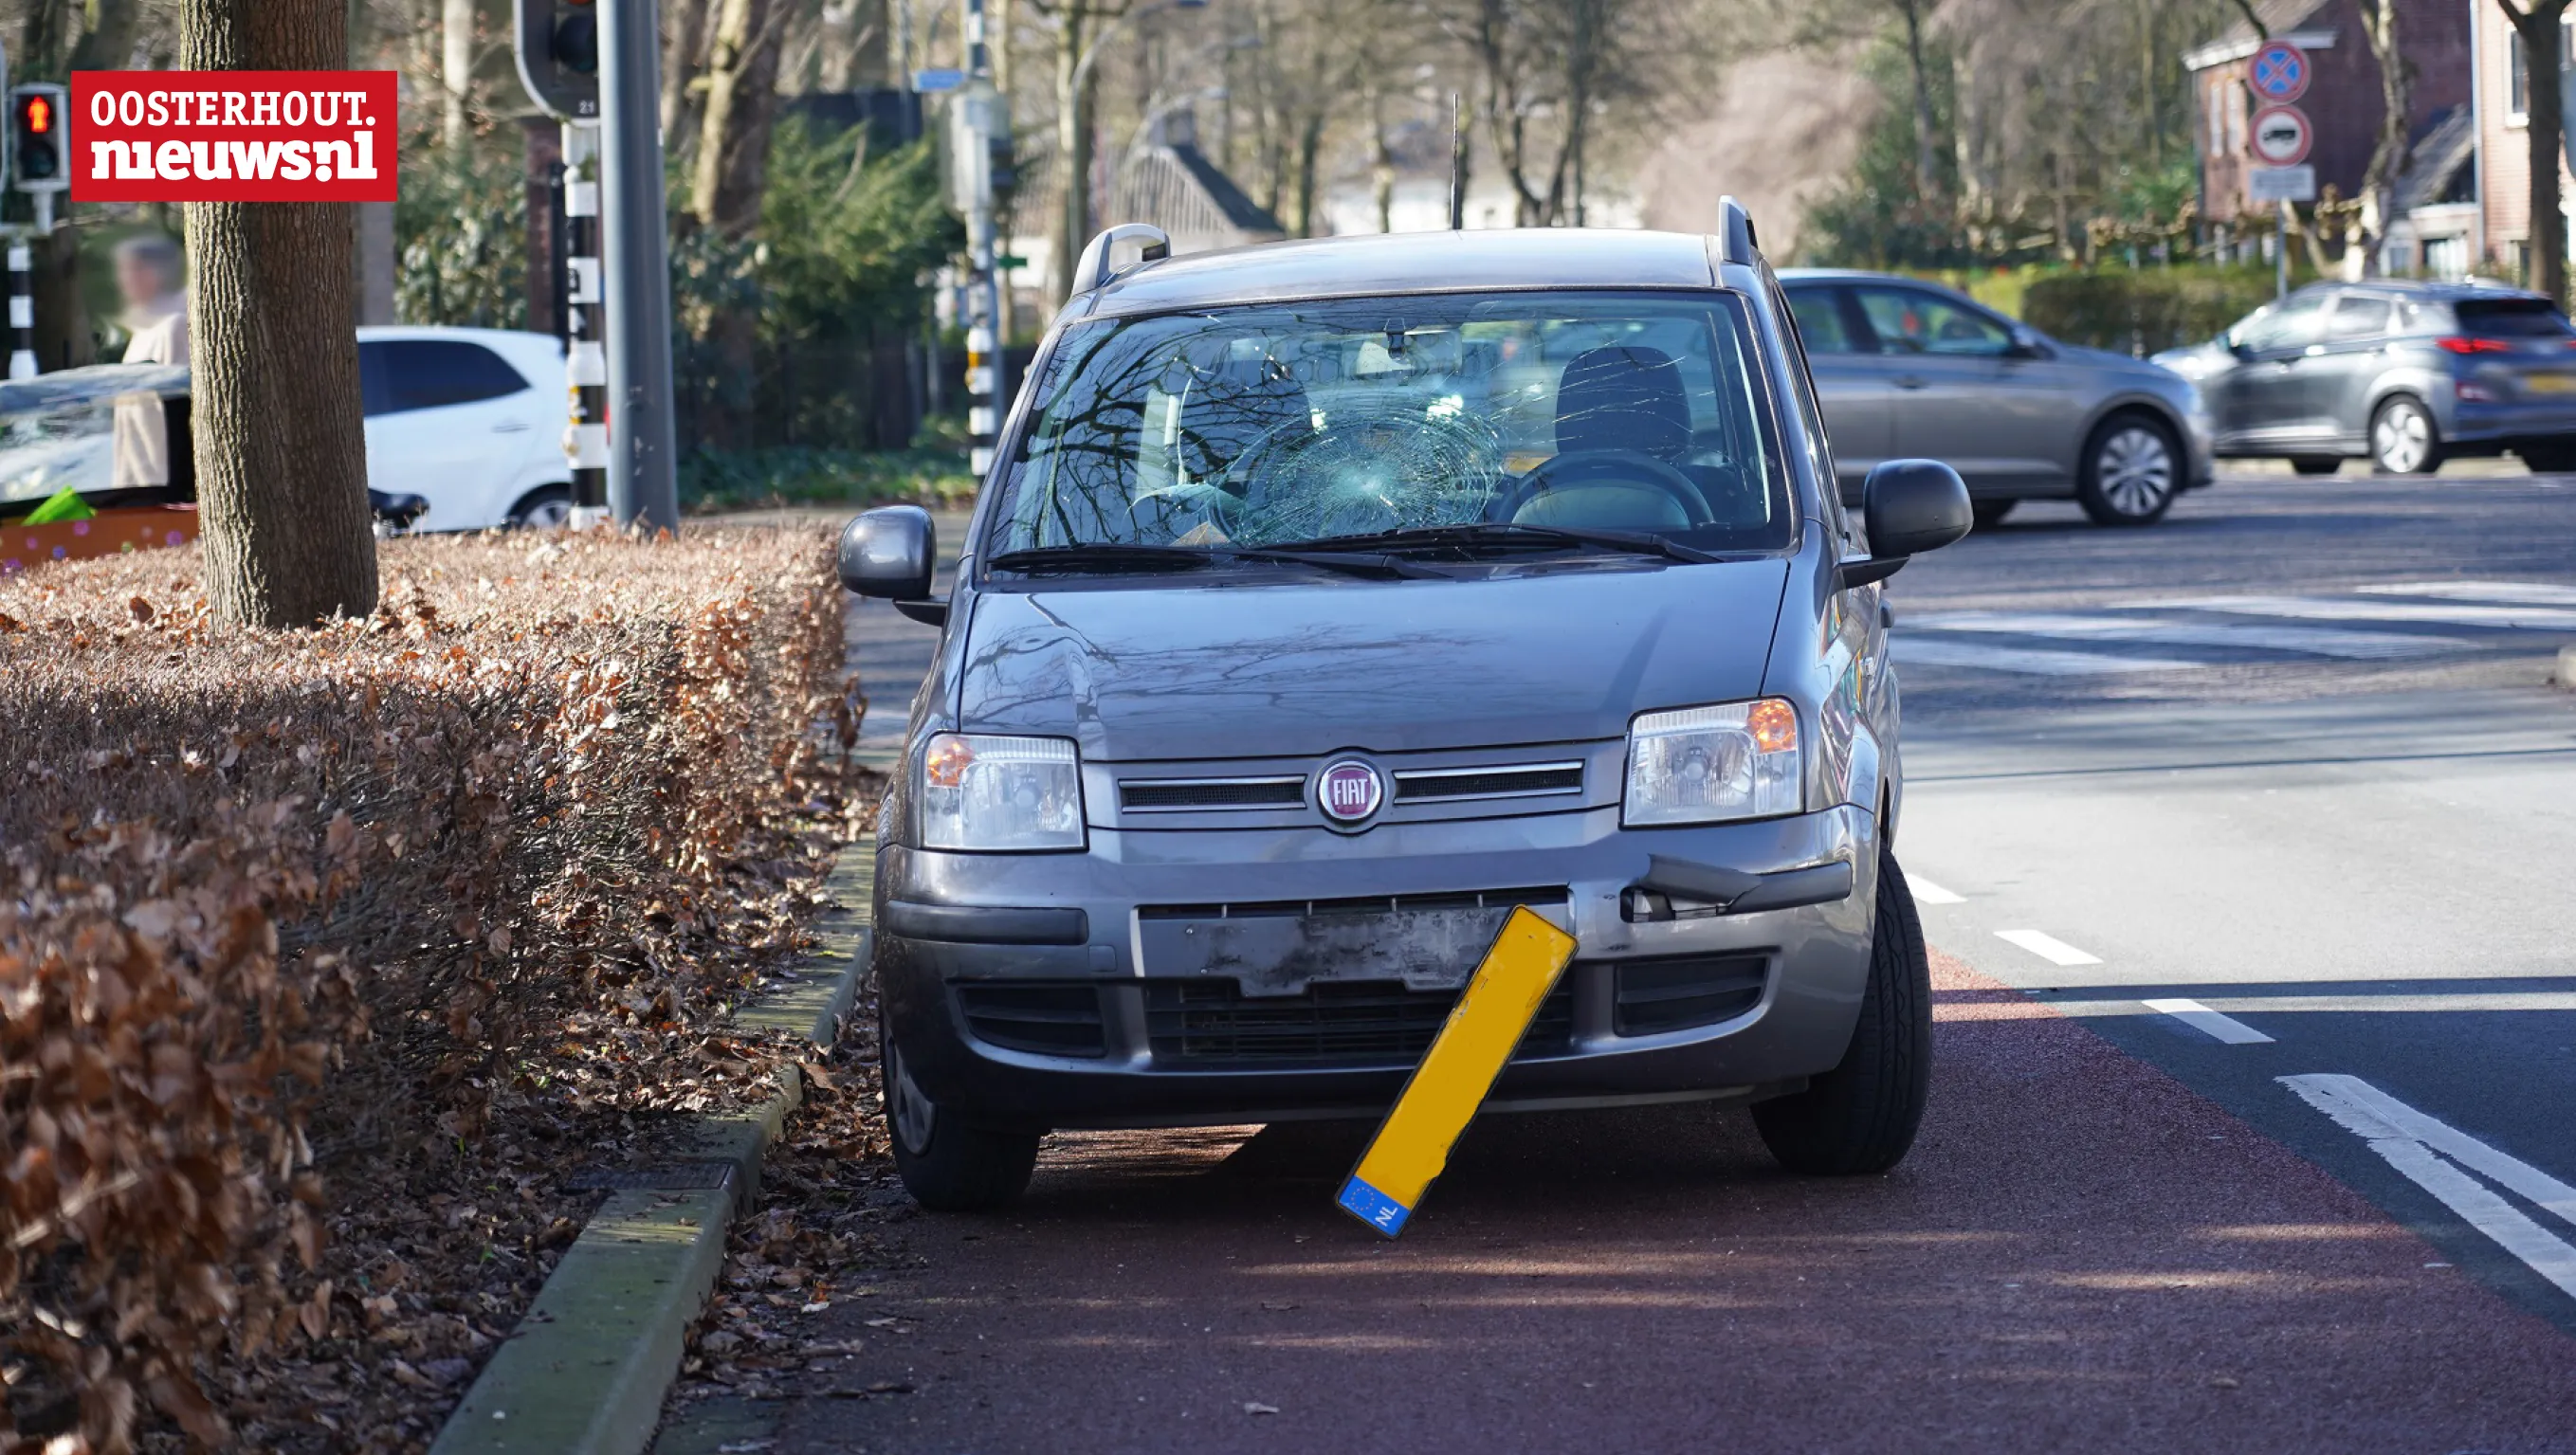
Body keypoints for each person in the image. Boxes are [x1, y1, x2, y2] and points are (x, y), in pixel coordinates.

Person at [111, 233, 187, 490]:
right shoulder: (144, 330)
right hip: (140, 482)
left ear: (156, 272)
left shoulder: (176, 326)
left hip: (171, 481)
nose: (124, 280)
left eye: (132, 270)